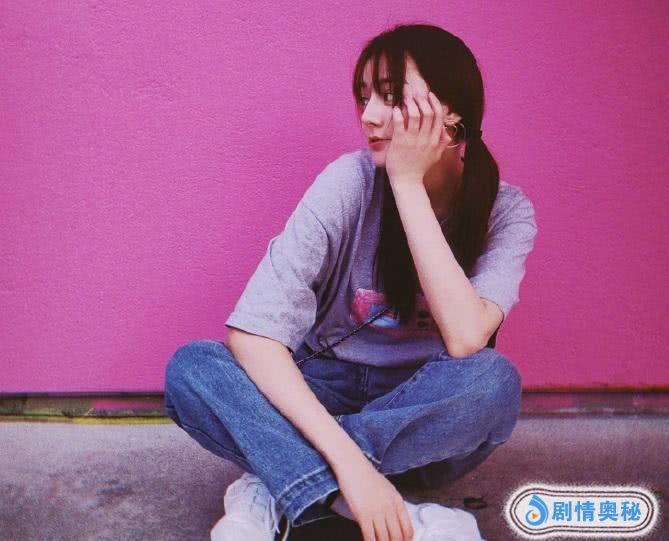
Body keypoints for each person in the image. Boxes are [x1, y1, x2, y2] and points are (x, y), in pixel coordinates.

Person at [164, 22, 537, 541]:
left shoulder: (507, 212)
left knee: (493, 384)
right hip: (320, 386)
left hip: (417, 412)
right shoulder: (348, 181)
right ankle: (381, 510)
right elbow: (254, 334)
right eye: (364, 97)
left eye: (390, 96)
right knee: (193, 370)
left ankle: (277, 479)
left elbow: (465, 337)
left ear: (451, 113)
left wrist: (407, 182)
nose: (368, 116)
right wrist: (352, 468)